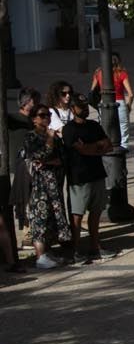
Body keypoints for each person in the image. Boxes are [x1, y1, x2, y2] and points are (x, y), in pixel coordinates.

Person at [60, 94, 115, 260]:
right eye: (80, 106)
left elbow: (109, 146)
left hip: (97, 174)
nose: (84, 109)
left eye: (85, 106)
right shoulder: (69, 129)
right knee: (77, 215)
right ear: (72, 109)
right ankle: (75, 250)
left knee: (96, 212)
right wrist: (97, 147)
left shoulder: (94, 125)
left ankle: (95, 246)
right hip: (79, 177)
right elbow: (82, 150)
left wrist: (92, 148)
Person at [19, 105, 70, 269]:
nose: (47, 118)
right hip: (38, 185)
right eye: (42, 115)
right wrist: (49, 142)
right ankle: (40, 257)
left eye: (48, 115)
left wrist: (48, 161)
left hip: (53, 183)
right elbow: (36, 156)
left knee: (52, 219)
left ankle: (48, 253)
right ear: (34, 119)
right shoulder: (31, 137)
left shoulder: (54, 137)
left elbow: (61, 159)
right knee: (39, 218)